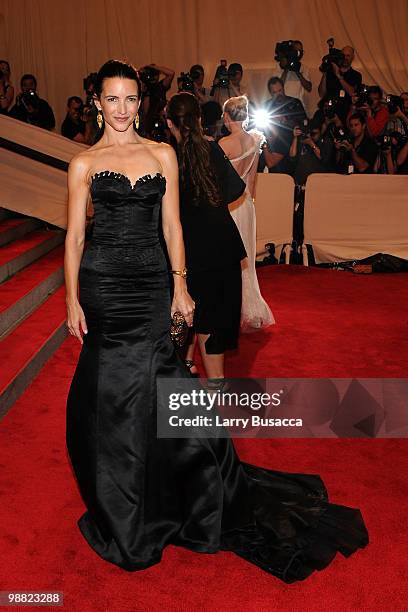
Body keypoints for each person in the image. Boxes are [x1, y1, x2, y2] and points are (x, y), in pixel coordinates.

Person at [65, 59, 368, 582]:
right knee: (107, 396)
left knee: (164, 385)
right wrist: (72, 300)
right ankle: (121, 503)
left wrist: (180, 286)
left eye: (130, 99)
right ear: (98, 103)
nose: (121, 109)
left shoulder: (162, 154)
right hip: (104, 289)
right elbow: (72, 237)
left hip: (152, 286)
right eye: (112, 99)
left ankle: (186, 489)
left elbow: (173, 227)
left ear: (142, 103)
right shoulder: (83, 164)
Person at [166, 91, 247, 377]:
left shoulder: (169, 157)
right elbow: (237, 188)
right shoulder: (211, 149)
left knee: (191, 317)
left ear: (169, 123)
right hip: (224, 248)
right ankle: (209, 378)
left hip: (191, 253)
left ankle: (209, 384)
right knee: (209, 321)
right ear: (199, 119)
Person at [219, 95, 275, 331]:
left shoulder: (224, 145)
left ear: (227, 116)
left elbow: (220, 184)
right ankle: (250, 310)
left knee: (227, 260)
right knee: (247, 260)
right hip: (246, 205)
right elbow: (252, 182)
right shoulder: (255, 140)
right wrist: (249, 203)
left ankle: (229, 309)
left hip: (228, 206)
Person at [261, 77, 307, 174]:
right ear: (270, 93)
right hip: (270, 144)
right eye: (275, 92)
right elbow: (260, 124)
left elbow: (304, 123)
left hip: (290, 144)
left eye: (280, 90)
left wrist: (284, 121)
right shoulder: (266, 105)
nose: (279, 94)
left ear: (283, 88)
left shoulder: (294, 103)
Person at [318, 46, 362, 122]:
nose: (345, 58)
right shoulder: (330, 73)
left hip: (345, 114)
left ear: (353, 57)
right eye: (343, 55)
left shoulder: (356, 75)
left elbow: (353, 93)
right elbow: (321, 94)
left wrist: (339, 76)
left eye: (348, 56)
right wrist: (325, 73)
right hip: (328, 114)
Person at [271, 40, 312, 113]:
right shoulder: (278, 68)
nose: (298, 53)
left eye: (301, 51)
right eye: (296, 50)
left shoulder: (304, 68)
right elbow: (277, 86)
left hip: (298, 107)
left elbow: (309, 88)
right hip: (283, 107)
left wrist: (297, 71)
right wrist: (287, 68)